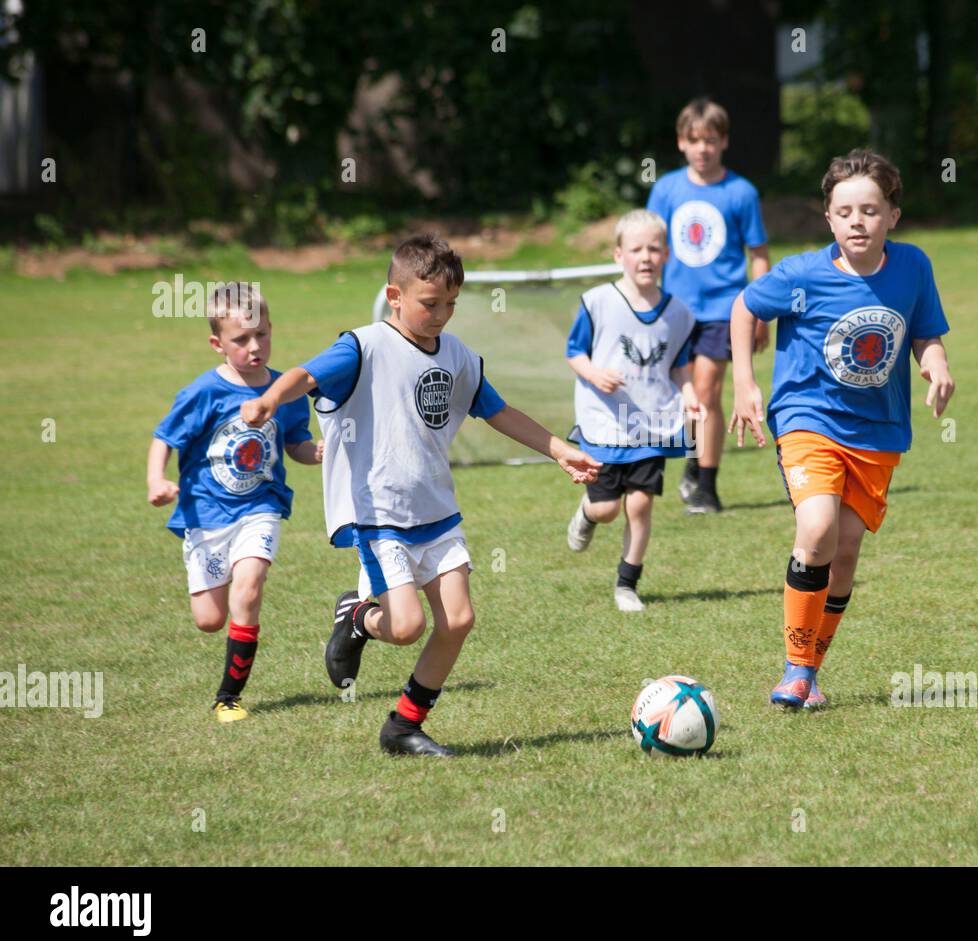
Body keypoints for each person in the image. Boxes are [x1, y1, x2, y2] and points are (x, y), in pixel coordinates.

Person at [240, 235, 600, 757]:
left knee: (458, 620)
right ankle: (357, 617)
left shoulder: (457, 356)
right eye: (431, 303)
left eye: (451, 304)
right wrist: (270, 398)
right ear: (395, 295)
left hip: (435, 510)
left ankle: (403, 726)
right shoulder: (363, 348)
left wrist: (559, 450)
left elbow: (497, 411)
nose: (442, 315)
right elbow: (304, 374)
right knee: (406, 626)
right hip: (379, 515)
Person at [730, 149, 955, 709]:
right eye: (845, 210)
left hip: (878, 431)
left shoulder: (912, 268)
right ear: (828, 218)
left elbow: (925, 332)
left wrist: (937, 363)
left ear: (892, 217)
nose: (858, 221)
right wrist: (744, 383)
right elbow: (744, 307)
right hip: (808, 418)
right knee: (818, 528)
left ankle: (808, 673)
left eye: (871, 210)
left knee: (846, 552)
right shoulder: (803, 274)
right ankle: (795, 669)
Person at [147, 282, 321, 723]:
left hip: (259, 508)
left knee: (249, 586)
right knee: (209, 618)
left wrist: (315, 453)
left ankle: (228, 697)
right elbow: (164, 437)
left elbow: (297, 445)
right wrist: (157, 480)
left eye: (261, 334)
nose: (254, 346)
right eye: (241, 339)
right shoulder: (203, 393)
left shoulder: (284, 391)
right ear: (217, 344)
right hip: (205, 515)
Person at [564, 209, 703, 611]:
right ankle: (588, 515)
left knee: (640, 504)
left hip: (653, 423)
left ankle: (627, 584)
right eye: (636, 249)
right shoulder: (598, 302)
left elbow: (679, 362)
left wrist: (690, 391)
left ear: (667, 255)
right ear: (617, 255)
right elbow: (574, 351)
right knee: (608, 509)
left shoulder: (679, 313)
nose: (645, 257)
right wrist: (594, 373)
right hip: (605, 422)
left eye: (654, 249)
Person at [648, 97, 770, 513]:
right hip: (677, 311)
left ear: (724, 143)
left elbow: (758, 254)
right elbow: (649, 247)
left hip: (726, 309)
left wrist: (761, 312)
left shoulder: (741, 192)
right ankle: (694, 465)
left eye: (711, 140)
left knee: (706, 391)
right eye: (694, 140)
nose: (703, 148)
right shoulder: (666, 190)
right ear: (681, 143)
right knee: (682, 396)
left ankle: (706, 486)